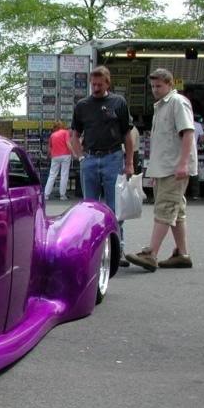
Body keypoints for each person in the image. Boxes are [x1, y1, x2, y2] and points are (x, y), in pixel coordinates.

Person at [125, 68, 196, 272]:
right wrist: (156, 171)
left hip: (174, 167)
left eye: (159, 86)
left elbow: (188, 133)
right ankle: (182, 254)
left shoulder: (177, 102)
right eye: (153, 86)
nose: (155, 90)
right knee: (176, 211)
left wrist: (183, 164)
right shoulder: (162, 106)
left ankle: (151, 253)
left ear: (170, 84)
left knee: (164, 209)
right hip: (166, 167)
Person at [70, 65, 135, 265]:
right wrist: (80, 156)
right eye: (93, 84)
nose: (96, 88)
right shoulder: (82, 105)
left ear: (108, 83)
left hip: (113, 157)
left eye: (99, 84)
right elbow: (74, 134)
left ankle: (117, 250)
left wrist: (129, 162)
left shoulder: (118, 102)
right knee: (90, 206)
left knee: (115, 207)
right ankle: (92, 250)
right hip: (90, 158)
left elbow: (127, 134)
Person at [43, 120, 73, 201]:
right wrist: (73, 152)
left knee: (52, 175)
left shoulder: (52, 135)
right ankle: (62, 195)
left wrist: (48, 156)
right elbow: (68, 143)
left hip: (55, 156)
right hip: (65, 155)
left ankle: (46, 195)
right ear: (62, 125)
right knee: (64, 175)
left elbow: (50, 148)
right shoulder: (65, 132)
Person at [188, 115, 204, 199]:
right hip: (193, 150)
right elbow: (202, 138)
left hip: (180, 149)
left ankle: (181, 193)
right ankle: (195, 194)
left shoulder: (181, 123)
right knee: (194, 172)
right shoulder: (198, 125)